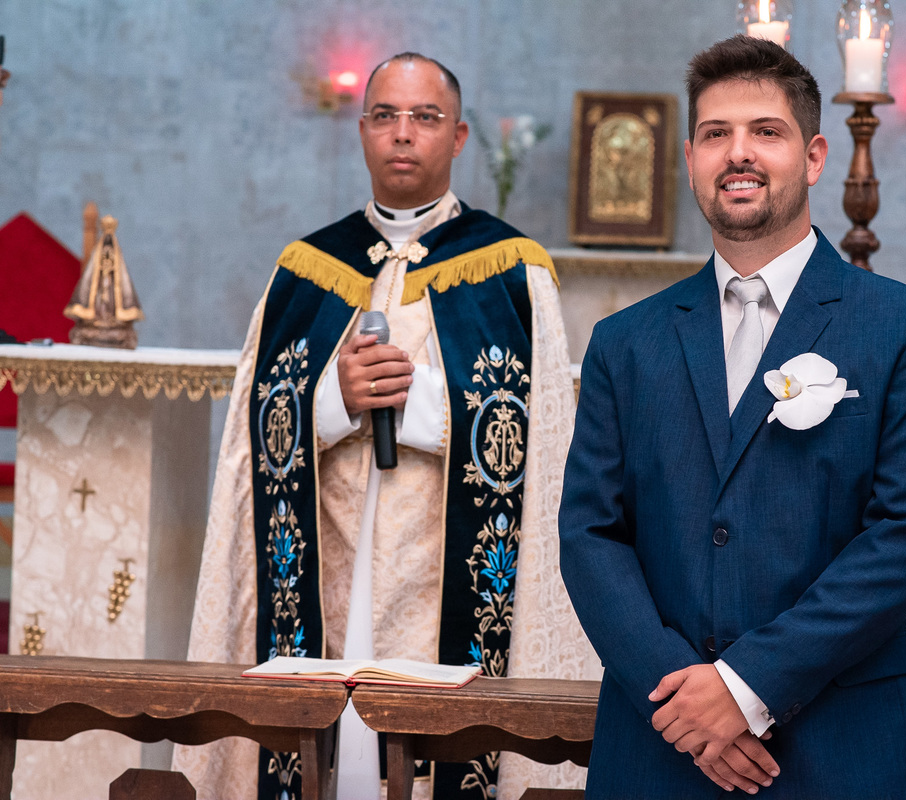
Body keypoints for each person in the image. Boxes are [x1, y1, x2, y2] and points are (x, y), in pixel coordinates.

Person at [175, 52, 598, 800]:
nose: (404, 135)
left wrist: (425, 401)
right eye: (386, 116)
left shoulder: (510, 269)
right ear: (363, 131)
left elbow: (549, 442)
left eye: (425, 118)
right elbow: (256, 433)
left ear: (459, 137)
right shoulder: (305, 269)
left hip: (441, 581)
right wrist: (332, 401)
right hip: (328, 576)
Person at [559, 35, 906, 799]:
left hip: (834, 741)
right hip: (659, 742)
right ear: (690, 160)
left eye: (765, 133)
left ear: (813, 158)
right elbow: (591, 535)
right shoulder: (626, 341)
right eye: (716, 134)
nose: (737, 154)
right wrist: (685, 700)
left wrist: (747, 688)